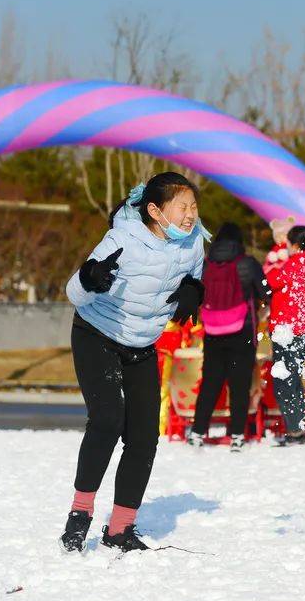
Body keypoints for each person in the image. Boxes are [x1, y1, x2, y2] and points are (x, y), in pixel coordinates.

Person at [59, 173, 207, 553]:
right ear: (155, 211)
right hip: (97, 335)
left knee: (143, 436)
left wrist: (194, 289)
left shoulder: (192, 243)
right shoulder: (122, 239)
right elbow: (74, 293)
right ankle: (80, 515)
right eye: (182, 207)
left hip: (142, 343)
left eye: (193, 207)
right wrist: (90, 278)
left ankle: (120, 529)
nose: (191, 215)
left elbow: (195, 274)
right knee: (107, 419)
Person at [187, 223, 268, 451]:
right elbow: (265, 292)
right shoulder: (248, 263)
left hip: (213, 332)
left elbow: (199, 295)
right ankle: (236, 436)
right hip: (242, 331)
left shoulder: (206, 265)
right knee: (239, 385)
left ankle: (197, 432)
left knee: (210, 384)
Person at [265, 224, 305, 445]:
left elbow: (270, 280)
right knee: (295, 378)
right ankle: (299, 426)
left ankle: (294, 430)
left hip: (286, 330)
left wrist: (277, 251)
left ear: (295, 245)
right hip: (304, 329)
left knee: (284, 381)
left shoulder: (295, 262)